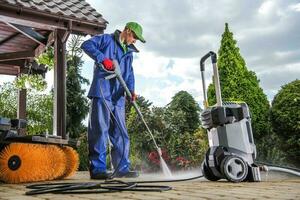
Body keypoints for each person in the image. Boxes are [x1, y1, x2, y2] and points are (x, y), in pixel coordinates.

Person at [81, 22, 146, 179]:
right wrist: (103, 59)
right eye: (134, 37)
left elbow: (129, 74)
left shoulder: (129, 53)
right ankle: (98, 169)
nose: (135, 41)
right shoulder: (106, 40)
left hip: (118, 96)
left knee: (120, 133)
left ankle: (122, 168)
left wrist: (131, 91)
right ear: (127, 30)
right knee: (100, 130)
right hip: (102, 91)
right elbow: (86, 45)